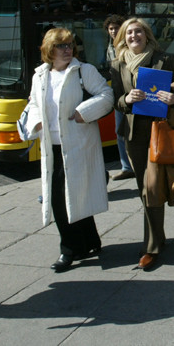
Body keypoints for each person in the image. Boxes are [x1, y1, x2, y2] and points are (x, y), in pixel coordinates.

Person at [24, 28, 113, 272]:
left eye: (70, 45)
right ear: (48, 50)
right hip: (51, 145)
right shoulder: (40, 75)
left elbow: (106, 94)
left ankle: (69, 251)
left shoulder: (84, 70)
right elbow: (32, 103)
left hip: (77, 143)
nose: (67, 50)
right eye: (61, 46)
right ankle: (88, 243)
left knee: (72, 197)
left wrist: (84, 112)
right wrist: (35, 122)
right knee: (60, 198)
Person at [109, 18, 174, 269]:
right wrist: (127, 99)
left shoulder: (165, 59)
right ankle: (157, 237)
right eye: (128, 32)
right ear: (123, 37)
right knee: (145, 188)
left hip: (159, 131)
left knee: (151, 188)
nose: (133, 36)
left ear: (147, 34)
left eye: (138, 31)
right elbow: (116, 100)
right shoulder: (117, 64)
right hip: (134, 135)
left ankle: (150, 248)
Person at [104, 14, 135, 180]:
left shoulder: (129, 45)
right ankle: (126, 166)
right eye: (111, 29)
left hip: (132, 93)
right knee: (120, 131)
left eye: (116, 28)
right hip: (119, 95)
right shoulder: (110, 46)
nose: (114, 31)